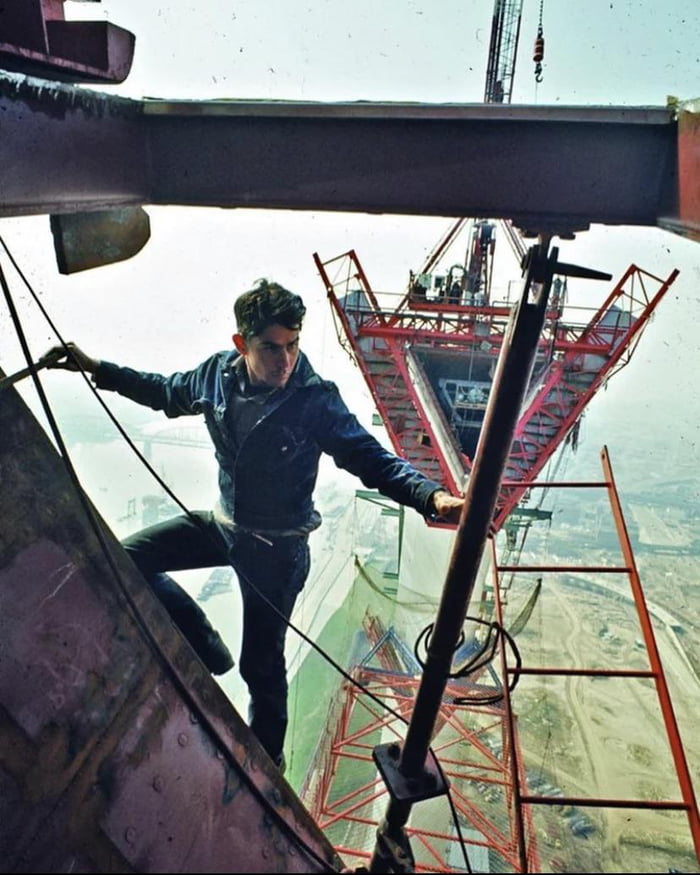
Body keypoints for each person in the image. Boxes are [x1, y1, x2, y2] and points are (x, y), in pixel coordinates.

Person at [48, 279, 464, 771]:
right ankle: (205, 643)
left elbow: (369, 457)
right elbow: (164, 391)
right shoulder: (216, 377)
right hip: (226, 526)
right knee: (127, 559)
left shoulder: (314, 400)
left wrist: (429, 496)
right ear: (241, 345)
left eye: (293, 345)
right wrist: (97, 369)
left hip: (277, 552)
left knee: (262, 667)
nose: (284, 360)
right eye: (270, 347)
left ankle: (268, 767)